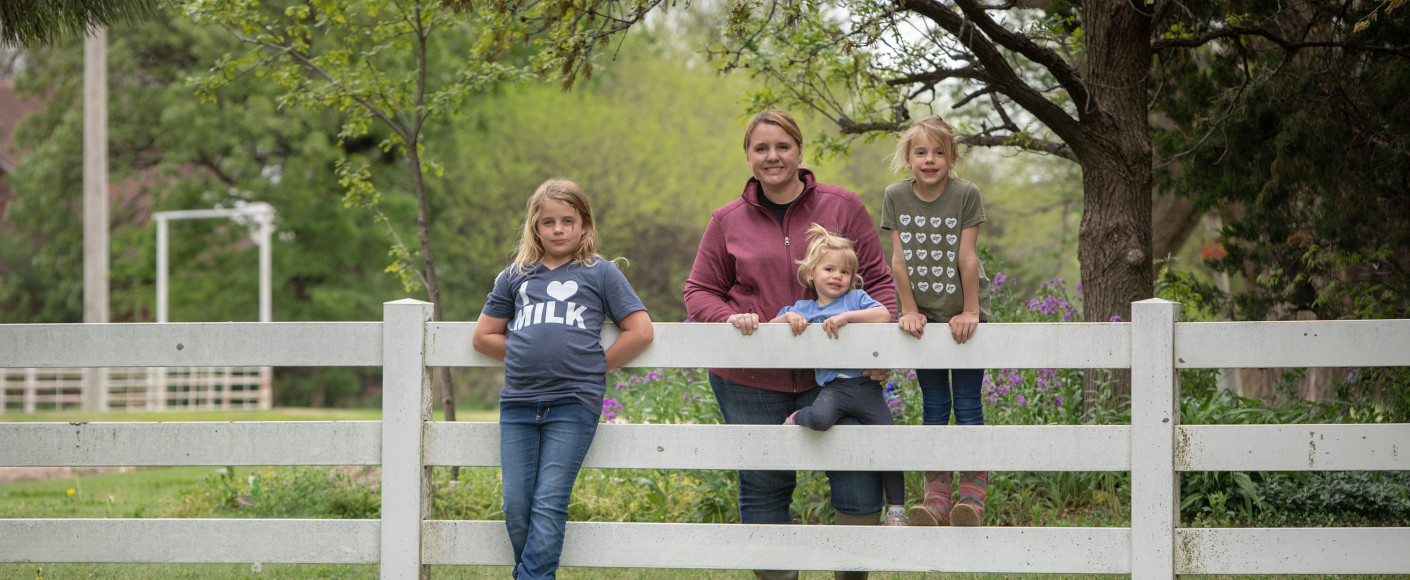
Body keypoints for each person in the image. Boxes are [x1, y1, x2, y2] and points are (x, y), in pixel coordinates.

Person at [684, 109, 897, 580]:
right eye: (761, 148)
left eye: (782, 146)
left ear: (799, 150)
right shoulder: (726, 221)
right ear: (748, 156)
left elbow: (881, 284)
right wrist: (732, 318)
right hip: (750, 378)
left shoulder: (844, 206)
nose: (772, 156)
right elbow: (698, 291)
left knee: (858, 479)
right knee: (764, 483)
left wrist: (882, 354)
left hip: (842, 377)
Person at [472, 179, 654, 579]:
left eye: (567, 220)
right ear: (534, 227)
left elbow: (640, 331)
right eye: (548, 221)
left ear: (584, 225)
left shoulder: (601, 274)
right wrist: (520, 352)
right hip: (519, 403)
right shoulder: (515, 276)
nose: (558, 229)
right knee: (516, 505)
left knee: (549, 501)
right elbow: (484, 336)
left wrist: (592, 365)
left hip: (574, 404)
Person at [880, 115, 992, 527]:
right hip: (923, 319)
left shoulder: (966, 194)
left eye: (938, 152)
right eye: (920, 152)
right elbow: (899, 260)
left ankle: (972, 498)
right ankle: (937, 499)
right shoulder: (895, 196)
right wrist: (909, 310)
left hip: (963, 317)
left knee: (966, 405)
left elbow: (967, 256)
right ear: (907, 159)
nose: (930, 160)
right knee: (934, 406)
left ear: (952, 157)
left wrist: (971, 311)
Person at [766, 223, 906, 526]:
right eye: (828, 269)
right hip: (835, 389)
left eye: (844, 272)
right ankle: (796, 417)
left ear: (852, 278)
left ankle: (896, 509)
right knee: (818, 420)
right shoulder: (805, 308)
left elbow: (883, 314)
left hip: (868, 388)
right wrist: (789, 316)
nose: (836, 276)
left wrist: (846, 317)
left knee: (889, 444)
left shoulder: (857, 300)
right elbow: (771, 328)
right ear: (810, 274)